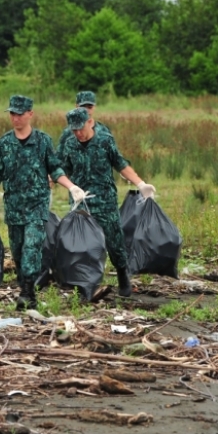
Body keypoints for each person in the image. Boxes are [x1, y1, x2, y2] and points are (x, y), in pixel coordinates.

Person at [0, 95, 85, 310]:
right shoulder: (4, 144)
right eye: (12, 113)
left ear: (30, 114)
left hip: (37, 206)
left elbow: (55, 169)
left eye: (20, 114)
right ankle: (26, 288)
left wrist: (72, 187)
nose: (16, 118)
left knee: (32, 246)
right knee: (19, 252)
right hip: (14, 207)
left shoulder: (42, 141)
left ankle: (27, 293)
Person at [56, 107, 156, 298]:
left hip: (104, 200)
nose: (78, 133)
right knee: (82, 244)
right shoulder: (69, 145)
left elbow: (120, 164)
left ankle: (122, 277)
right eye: (74, 130)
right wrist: (70, 187)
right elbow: (61, 171)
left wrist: (140, 183)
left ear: (90, 122)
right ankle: (87, 285)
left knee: (113, 240)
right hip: (81, 202)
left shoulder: (104, 141)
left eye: (81, 128)